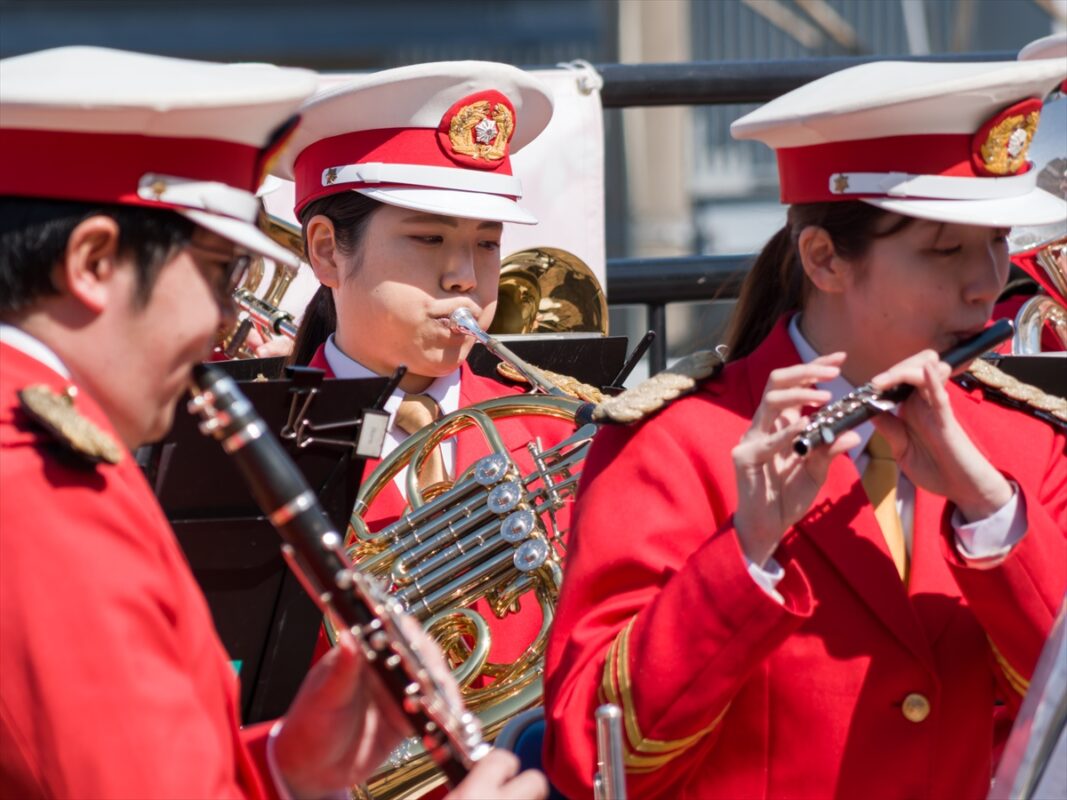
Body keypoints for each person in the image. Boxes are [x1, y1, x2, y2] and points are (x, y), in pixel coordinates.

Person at [0, 46, 545, 800]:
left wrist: (286, 770)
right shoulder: (34, 486)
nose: (225, 318)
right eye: (218, 272)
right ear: (93, 263)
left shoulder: (48, 460)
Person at [543, 58, 1067, 800]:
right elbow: (591, 757)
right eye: (945, 250)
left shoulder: (1024, 449)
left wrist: (990, 512)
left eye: (996, 241)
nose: (987, 284)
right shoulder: (675, 446)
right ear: (824, 259)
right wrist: (744, 554)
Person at [271, 62, 579, 670]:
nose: (464, 276)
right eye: (429, 239)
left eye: (487, 243)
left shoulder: (553, 432)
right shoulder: (263, 447)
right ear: (327, 250)